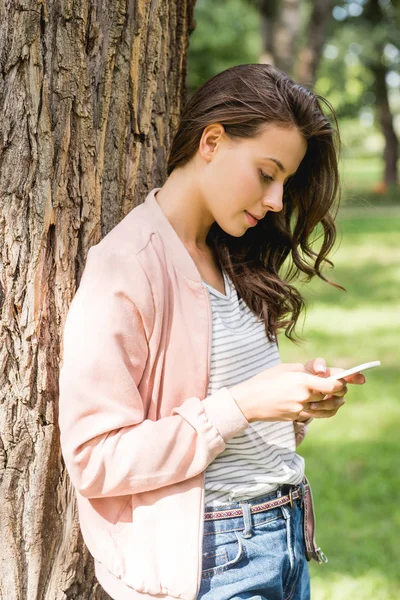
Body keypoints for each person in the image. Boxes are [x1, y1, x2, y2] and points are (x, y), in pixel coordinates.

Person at [58, 64, 365, 600]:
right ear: (213, 140)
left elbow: (228, 417)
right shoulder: (127, 266)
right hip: (214, 562)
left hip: (287, 538)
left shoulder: (231, 255)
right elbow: (94, 459)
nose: (276, 201)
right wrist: (243, 404)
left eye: (285, 183)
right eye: (267, 174)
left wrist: (292, 404)